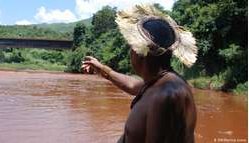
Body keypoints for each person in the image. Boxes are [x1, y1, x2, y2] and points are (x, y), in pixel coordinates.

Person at [81, 5, 197, 143]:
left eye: (131, 47)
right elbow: (131, 85)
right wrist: (101, 68)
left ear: (138, 52)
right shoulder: (160, 83)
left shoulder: (166, 96)